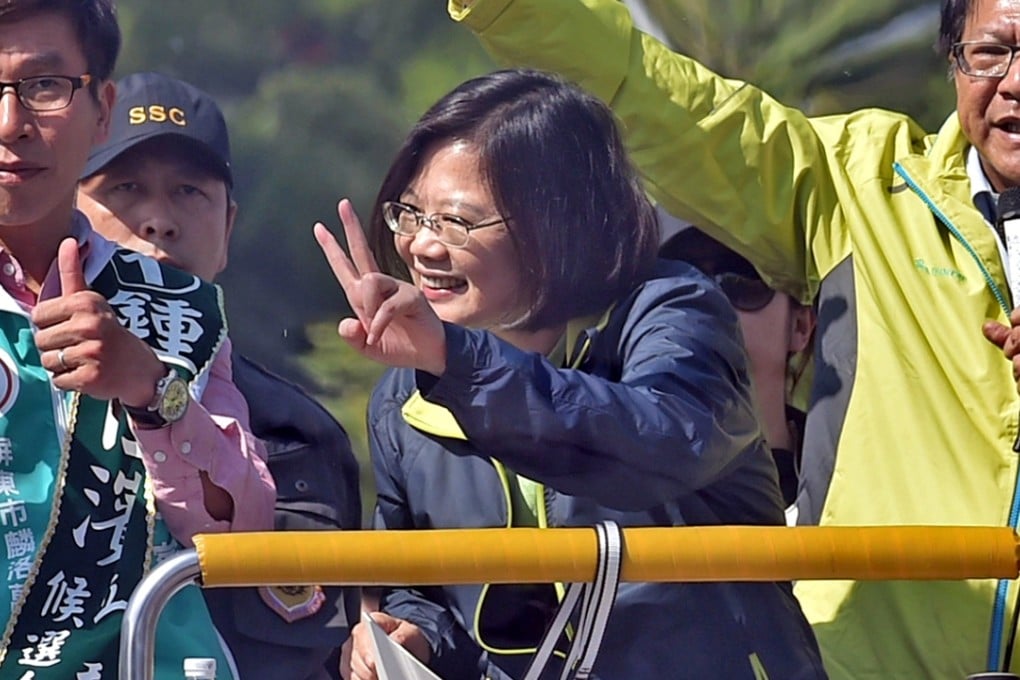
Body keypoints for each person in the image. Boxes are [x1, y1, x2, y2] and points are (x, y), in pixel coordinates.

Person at [442, 0, 1020, 676]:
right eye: (991, 52)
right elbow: (652, 92)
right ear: (953, 61)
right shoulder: (860, 181)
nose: (1014, 80)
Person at [315, 68, 826, 680]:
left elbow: (661, 442)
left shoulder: (670, 310)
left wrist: (460, 363)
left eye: (457, 222)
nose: (423, 246)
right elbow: (425, 593)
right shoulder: (403, 395)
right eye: (412, 214)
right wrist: (409, 636)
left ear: (558, 222)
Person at [0, 1, 276, 677]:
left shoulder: (174, 305)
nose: (11, 124)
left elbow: (242, 533)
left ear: (102, 108)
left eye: (45, 86)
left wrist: (153, 390)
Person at [76, 71, 362, 680]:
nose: (159, 220)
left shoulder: (299, 433)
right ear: (67, 213)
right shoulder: (17, 394)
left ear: (228, 230)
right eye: (125, 187)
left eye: (189, 192)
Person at [658, 219, 815, 515]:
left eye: (740, 279)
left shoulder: (862, 472)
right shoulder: (613, 484)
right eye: (676, 282)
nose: (705, 300)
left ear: (800, 326)